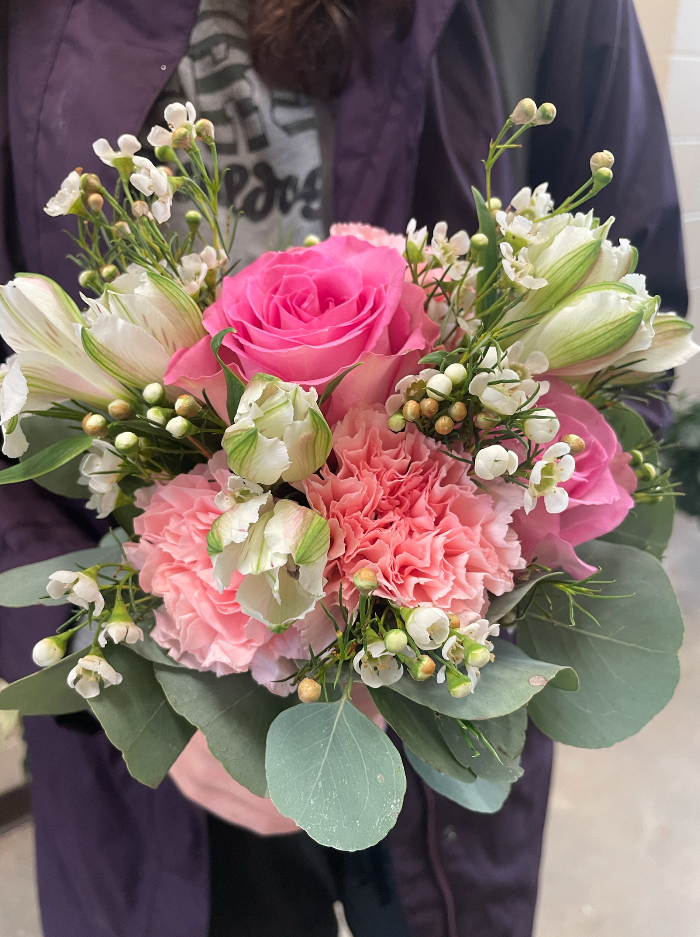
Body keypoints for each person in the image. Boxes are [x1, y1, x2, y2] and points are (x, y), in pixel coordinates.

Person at [0, 1, 686, 935]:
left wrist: (469, 591)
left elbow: (632, 322)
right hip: (154, 723)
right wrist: (136, 671)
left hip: (441, 683)